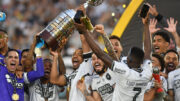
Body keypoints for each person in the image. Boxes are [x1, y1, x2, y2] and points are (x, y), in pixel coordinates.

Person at [75, 10, 152, 101]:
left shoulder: (124, 72)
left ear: (130, 61)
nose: (125, 57)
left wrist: (84, 31)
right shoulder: (147, 72)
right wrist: (146, 25)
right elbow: (147, 51)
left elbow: (100, 53)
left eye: (127, 57)